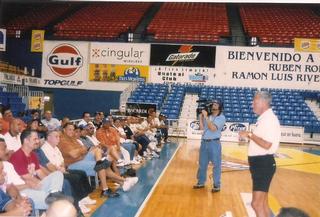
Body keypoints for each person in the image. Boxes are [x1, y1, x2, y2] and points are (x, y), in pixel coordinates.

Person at [239, 91, 281, 217]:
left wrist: (250, 135)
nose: (252, 104)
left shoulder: (269, 120)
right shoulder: (265, 118)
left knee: (256, 204)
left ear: (263, 102)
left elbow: (267, 144)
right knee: (262, 204)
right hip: (261, 164)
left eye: (255, 101)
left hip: (263, 165)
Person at [193, 99, 226, 193]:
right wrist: (201, 117)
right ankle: (201, 182)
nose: (213, 106)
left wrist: (206, 117)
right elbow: (202, 128)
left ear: (220, 107)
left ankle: (216, 185)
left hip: (214, 143)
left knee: (216, 165)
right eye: (213, 104)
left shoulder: (221, 118)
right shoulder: (209, 116)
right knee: (202, 164)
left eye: (216, 104)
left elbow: (212, 128)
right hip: (204, 142)